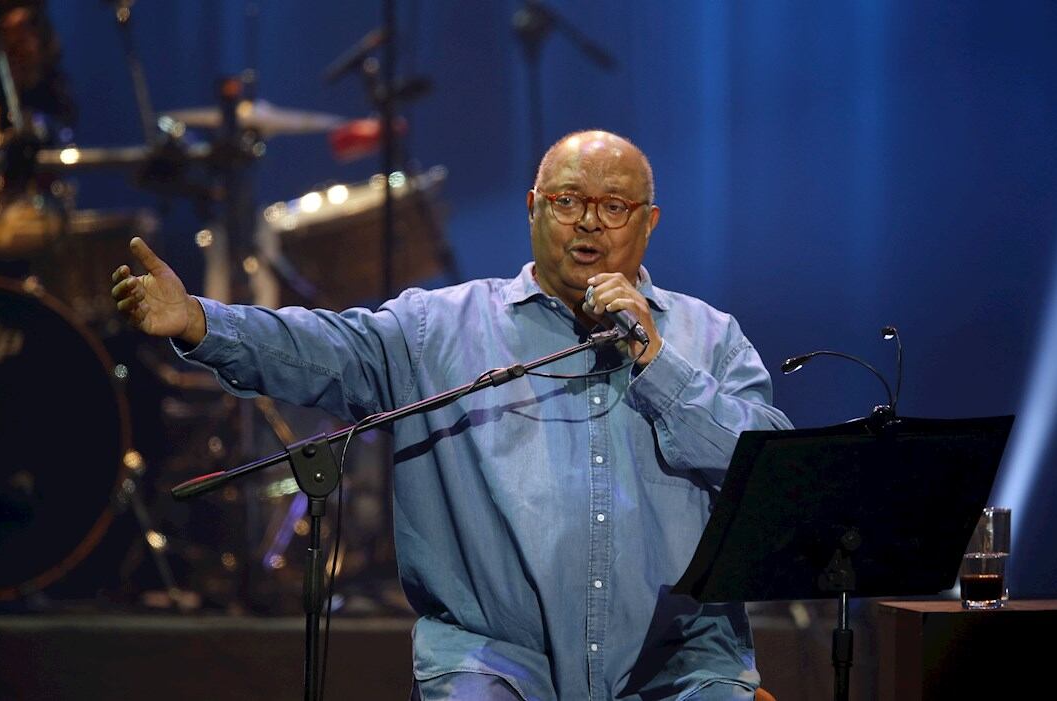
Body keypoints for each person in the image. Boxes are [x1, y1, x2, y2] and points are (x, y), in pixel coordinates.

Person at [112, 130, 793, 700]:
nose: (589, 222)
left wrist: (660, 364)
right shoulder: (438, 329)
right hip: (496, 665)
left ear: (649, 221)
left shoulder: (710, 337)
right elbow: (320, 348)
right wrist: (200, 321)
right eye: (567, 201)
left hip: (677, 672)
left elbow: (773, 474)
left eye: (614, 206)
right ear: (532, 209)